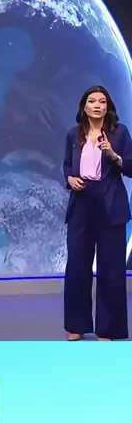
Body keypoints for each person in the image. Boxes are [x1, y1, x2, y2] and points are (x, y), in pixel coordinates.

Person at [63, 86, 132, 341]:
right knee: (77, 266)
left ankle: (108, 329)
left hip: (110, 203)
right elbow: (67, 166)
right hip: (81, 204)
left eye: (102, 102)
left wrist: (113, 154)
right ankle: (76, 326)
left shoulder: (119, 132)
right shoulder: (74, 134)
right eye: (92, 101)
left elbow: (131, 167)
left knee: (111, 268)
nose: (97, 105)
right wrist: (70, 179)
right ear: (84, 106)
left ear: (107, 107)